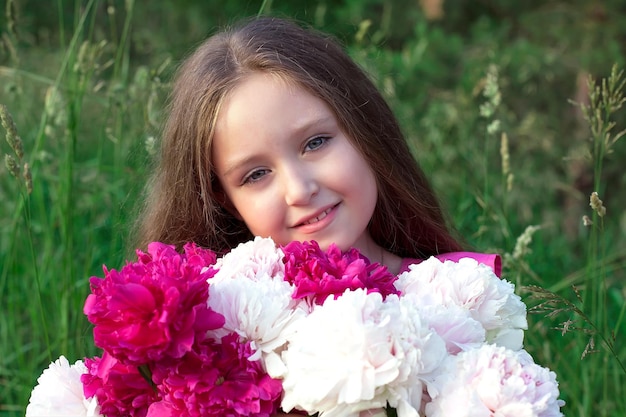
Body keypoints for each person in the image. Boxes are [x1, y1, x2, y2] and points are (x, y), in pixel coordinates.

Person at [134, 16, 500, 414]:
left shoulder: (464, 300)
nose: (299, 189)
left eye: (316, 142)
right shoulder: (212, 342)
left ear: (365, 130)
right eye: (256, 174)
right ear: (224, 199)